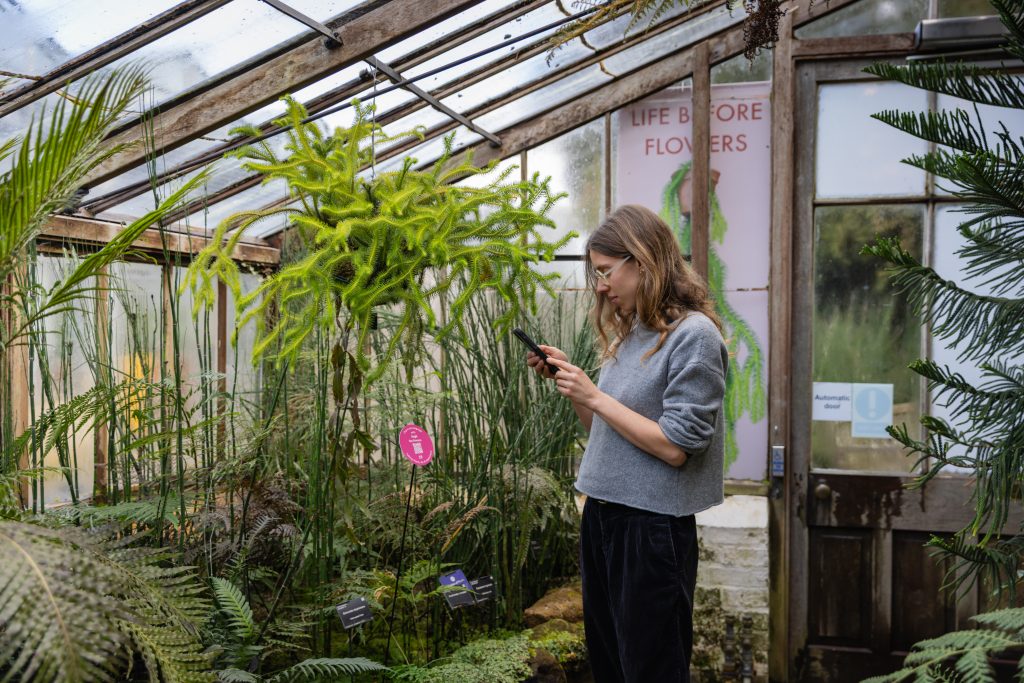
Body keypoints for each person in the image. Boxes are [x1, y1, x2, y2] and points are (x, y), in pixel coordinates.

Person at [525, 204, 728, 683]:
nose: (599, 285)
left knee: (652, 667)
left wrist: (595, 394)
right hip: (604, 515)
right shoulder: (635, 332)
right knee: (611, 662)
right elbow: (606, 433)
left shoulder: (693, 337)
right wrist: (574, 384)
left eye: (605, 271)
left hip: (651, 527)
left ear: (642, 260)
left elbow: (677, 446)